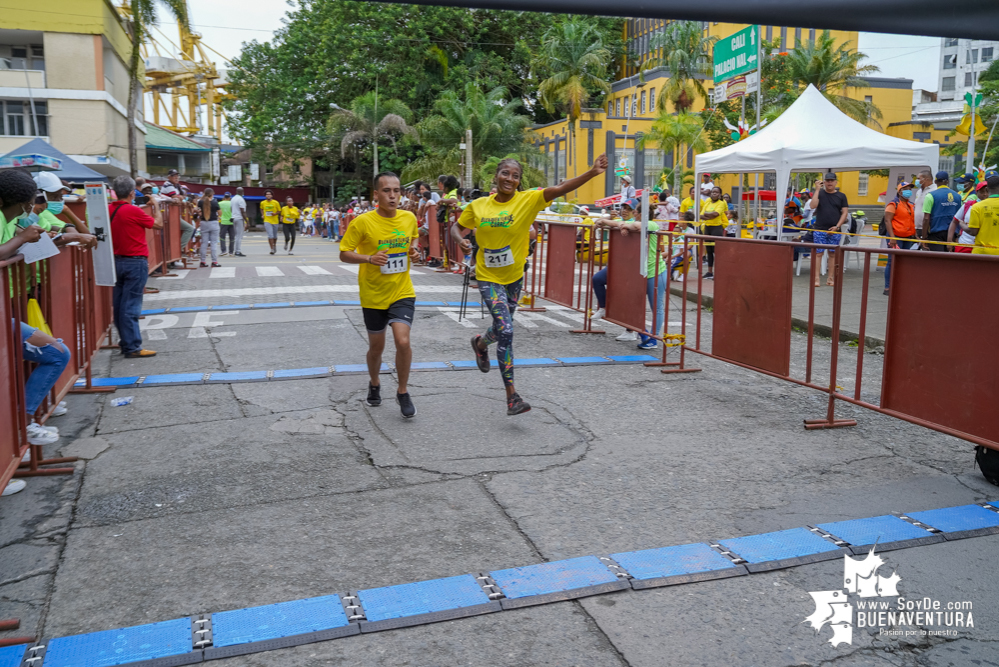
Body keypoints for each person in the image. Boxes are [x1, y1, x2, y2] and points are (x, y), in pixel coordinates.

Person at [454, 154, 608, 415]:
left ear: (519, 181)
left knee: (503, 329)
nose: (510, 179)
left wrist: (591, 173)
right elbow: (457, 227)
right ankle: (512, 396)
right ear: (496, 176)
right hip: (487, 277)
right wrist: (460, 239)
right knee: (506, 330)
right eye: (505, 173)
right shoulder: (479, 206)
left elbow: (560, 188)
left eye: (515, 176)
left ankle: (480, 343)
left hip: (514, 278)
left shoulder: (529, 200)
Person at [339, 172, 420, 418]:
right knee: (377, 348)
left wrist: (414, 252)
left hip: (401, 291)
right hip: (373, 294)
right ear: (376, 194)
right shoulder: (362, 222)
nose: (393, 195)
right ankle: (374, 382)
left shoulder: (409, 218)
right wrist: (369, 259)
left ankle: (403, 391)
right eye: (387, 190)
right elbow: (344, 253)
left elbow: (413, 241)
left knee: (403, 341)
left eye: (396, 190)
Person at [109, 175, 163, 358]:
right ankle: (132, 347)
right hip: (135, 262)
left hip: (115, 261)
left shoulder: (108, 209)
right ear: (132, 193)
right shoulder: (133, 211)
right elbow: (158, 224)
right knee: (131, 306)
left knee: (118, 305)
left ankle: (126, 342)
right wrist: (155, 205)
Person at [808, 173, 849, 287]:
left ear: (835, 182)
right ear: (824, 182)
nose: (829, 183)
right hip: (820, 229)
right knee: (818, 254)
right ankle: (816, 278)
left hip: (834, 229)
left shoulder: (841, 196)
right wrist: (817, 190)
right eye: (827, 180)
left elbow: (844, 212)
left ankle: (830, 278)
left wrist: (837, 226)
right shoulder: (820, 194)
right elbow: (812, 206)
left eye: (832, 180)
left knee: (832, 254)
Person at [882, 182, 917, 295]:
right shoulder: (893, 204)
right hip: (896, 236)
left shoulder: (911, 205)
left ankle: (901, 285)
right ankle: (888, 287)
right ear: (899, 192)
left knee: (904, 262)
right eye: (905, 189)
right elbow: (888, 221)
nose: (908, 191)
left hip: (907, 237)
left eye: (909, 189)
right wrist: (892, 237)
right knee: (892, 262)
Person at [919, 171, 961, 252]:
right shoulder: (958, 196)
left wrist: (924, 238)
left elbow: (926, 219)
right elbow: (959, 217)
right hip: (952, 234)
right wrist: (957, 236)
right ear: (948, 181)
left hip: (936, 234)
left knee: (937, 261)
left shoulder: (930, 195)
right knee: (949, 261)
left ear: (935, 181)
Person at [159, 169, 195, 255]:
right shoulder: (168, 185)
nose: (176, 177)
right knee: (189, 228)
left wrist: (180, 198)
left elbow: (181, 197)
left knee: (175, 234)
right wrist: (180, 198)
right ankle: (178, 250)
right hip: (168, 214)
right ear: (169, 177)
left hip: (172, 214)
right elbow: (177, 197)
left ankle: (176, 252)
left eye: (177, 176)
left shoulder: (175, 185)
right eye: (173, 176)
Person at [966, 171, 999, 255]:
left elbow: (973, 232)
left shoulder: (977, 207)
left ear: (987, 190)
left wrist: (962, 224)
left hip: (982, 254)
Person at [699, 186, 728, 278]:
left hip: (716, 228)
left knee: (717, 251)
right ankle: (709, 272)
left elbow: (716, 214)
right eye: (713, 192)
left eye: (716, 192)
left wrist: (708, 214)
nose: (714, 193)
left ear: (720, 194)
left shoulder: (721, 203)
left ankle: (718, 272)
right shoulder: (707, 202)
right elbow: (701, 215)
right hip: (707, 228)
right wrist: (709, 215)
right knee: (709, 250)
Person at [198, 188, 221, 267]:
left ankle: (202, 261)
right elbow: (220, 212)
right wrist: (219, 217)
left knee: (204, 243)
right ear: (212, 194)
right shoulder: (215, 202)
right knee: (213, 243)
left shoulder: (201, 202)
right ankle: (214, 261)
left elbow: (198, 212)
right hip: (213, 223)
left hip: (204, 222)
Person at [911, 169, 935, 238]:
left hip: (927, 228)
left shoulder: (934, 190)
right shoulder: (919, 191)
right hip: (916, 228)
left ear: (926, 179)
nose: (916, 181)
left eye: (918, 178)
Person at [260, 190, 281, 255]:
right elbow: (261, 209)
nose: (268, 195)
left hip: (275, 221)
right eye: (267, 194)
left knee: (274, 235)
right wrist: (263, 214)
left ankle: (274, 245)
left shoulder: (276, 202)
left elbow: (279, 211)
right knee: (270, 235)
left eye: (269, 194)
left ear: (272, 195)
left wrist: (275, 213)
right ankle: (271, 249)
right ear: (265, 196)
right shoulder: (263, 203)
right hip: (267, 220)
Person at [230, 187, 247, 257]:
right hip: (239, 218)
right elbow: (242, 211)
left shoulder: (233, 199)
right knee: (239, 236)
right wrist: (247, 221)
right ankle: (238, 251)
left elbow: (231, 209)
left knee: (236, 235)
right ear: (242, 192)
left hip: (234, 218)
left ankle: (236, 250)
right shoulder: (241, 199)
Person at [218, 192, 234, 256]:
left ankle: (223, 250)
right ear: (230, 197)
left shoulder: (219, 203)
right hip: (231, 221)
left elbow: (218, 211)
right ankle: (231, 252)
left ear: (224, 197)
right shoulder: (232, 203)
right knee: (232, 237)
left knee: (222, 237)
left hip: (223, 221)